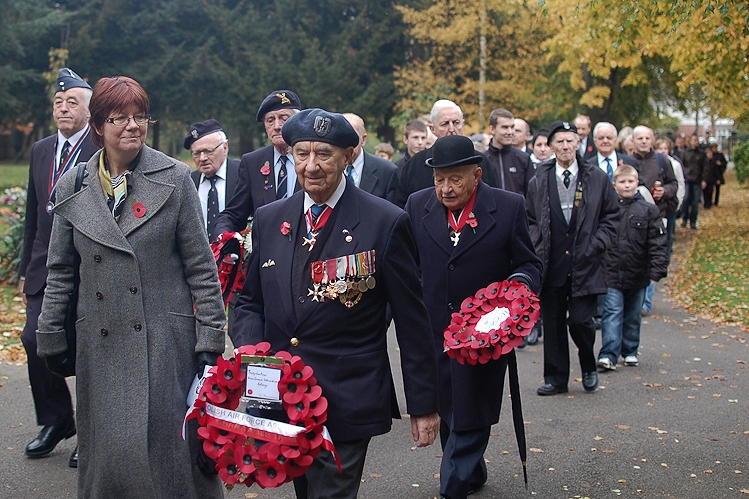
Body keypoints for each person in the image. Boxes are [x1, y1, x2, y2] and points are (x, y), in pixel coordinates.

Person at [232, 108, 440, 499]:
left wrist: (424, 404)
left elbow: (413, 321)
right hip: (285, 397)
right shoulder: (269, 217)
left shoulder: (384, 221)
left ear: (349, 155)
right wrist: (250, 352)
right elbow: (250, 303)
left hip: (347, 397)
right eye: (302, 153)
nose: (311, 166)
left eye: (324, 154)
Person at [35, 76, 227, 498]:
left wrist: (210, 337)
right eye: (119, 118)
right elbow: (61, 269)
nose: (132, 126)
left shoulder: (175, 177)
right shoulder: (73, 186)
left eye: (140, 116)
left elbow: (201, 267)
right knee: (110, 455)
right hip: (101, 340)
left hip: (164, 340)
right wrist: (49, 334)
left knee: (168, 456)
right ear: (99, 125)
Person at [405, 135, 541, 499]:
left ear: (477, 175)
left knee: (471, 410)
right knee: (450, 412)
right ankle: (473, 471)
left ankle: (453, 487)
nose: (446, 189)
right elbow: (407, 265)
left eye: (455, 179)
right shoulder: (417, 206)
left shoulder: (508, 207)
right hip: (434, 331)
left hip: (483, 335)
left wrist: (517, 290)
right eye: (439, 180)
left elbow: (528, 262)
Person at [19, 68, 99, 467]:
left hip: (88, 269)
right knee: (35, 341)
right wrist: (24, 270)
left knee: (87, 350)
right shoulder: (41, 149)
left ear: (88, 110)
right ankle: (56, 419)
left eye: (72, 102)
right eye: (58, 102)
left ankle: (91, 431)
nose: (63, 108)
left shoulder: (102, 149)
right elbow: (34, 215)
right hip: (43, 268)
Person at [525, 120, 619, 395]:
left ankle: (589, 367)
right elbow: (530, 218)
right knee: (553, 324)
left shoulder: (597, 177)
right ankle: (555, 378)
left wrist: (597, 243)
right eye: (560, 141)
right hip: (551, 262)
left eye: (570, 140)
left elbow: (611, 216)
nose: (565, 146)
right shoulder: (539, 179)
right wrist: (537, 242)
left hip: (586, 264)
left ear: (578, 143)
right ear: (550, 146)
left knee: (581, 321)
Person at [597, 165, 668, 371]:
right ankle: (609, 353)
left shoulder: (648, 210)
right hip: (611, 272)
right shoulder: (607, 210)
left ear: (637, 183)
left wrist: (657, 269)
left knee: (633, 314)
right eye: (622, 182)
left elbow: (658, 242)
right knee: (612, 312)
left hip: (638, 273)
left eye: (630, 181)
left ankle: (629, 350)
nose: (627, 186)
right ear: (614, 184)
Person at [214, 89, 302, 235]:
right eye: (270, 120)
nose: (277, 126)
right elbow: (235, 214)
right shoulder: (252, 163)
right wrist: (224, 236)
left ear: (298, 121)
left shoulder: (312, 158)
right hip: (267, 253)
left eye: (284, 118)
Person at [394, 99, 499, 207]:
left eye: (456, 123)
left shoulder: (481, 162)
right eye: (445, 124)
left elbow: (494, 201)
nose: (452, 129)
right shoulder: (415, 165)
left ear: (463, 124)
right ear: (432, 129)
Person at [184, 119, 240, 240]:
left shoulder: (243, 174)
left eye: (208, 151)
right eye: (196, 153)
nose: (202, 158)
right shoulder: (188, 181)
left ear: (225, 148)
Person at [342, 113, 400, 203]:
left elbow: (393, 212)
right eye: (342, 138)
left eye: (352, 137)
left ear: (363, 140)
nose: (346, 143)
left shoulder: (387, 172)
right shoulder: (328, 168)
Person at [631, 126, 678, 219]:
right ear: (633, 140)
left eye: (647, 138)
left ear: (653, 140)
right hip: (633, 215)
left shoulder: (661, 160)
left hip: (658, 214)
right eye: (640, 138)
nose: (644, 141)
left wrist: (664, 191)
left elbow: (673, 183)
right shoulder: (626, 161)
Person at [485, 108, 535, 196]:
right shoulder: (483, 160)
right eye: (505, 127)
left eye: (512, 127)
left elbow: (532, 194)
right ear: (492, 129)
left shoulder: (523, 158)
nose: (510, 132)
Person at [680, 135, 709, 229]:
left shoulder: (702, 154)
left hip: (697, 180)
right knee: (686, 200)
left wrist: (704, 179)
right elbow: (682, 166)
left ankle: (693, 221)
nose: (695, 142)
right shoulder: (685, 153)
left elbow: (705, 167)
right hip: (687, 180)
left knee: (695, 202)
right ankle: (684, 219)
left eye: (697, 140)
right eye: (694, 140)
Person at [704, 143, 727, 209]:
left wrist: (721, 164)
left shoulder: (720, 155)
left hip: (717, 174)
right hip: (710, 176)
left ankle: (715, 201)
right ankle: (708, 203)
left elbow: (724, 164)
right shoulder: (708, 158)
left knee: (716, 189)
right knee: (708, 190)